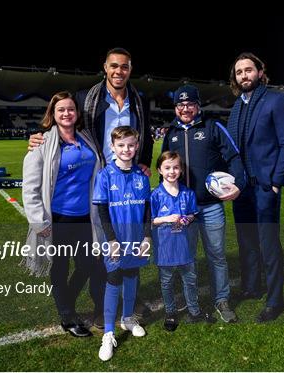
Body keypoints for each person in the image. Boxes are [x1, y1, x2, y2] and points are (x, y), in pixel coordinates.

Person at [28, 47, 154, 320]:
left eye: (124, 66)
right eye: (114, 66)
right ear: (105, 68)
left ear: (130, 69)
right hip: (100, 180)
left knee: (131, 239)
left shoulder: (140, 100)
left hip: (129, 177)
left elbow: (147, 136)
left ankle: (133, 296)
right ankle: (100, 306)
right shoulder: (87, 98)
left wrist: (144, 160)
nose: (118, 71)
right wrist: (40, 136)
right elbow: (67, 123)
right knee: (102, 247)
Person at [21, 91, 106, 338]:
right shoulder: (42, 144)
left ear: (77, 113)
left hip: (84, 217)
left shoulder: (86, 138)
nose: (67, 113)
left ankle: (64, 300)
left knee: (88, 264)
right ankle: (68, 317)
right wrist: (38, 221)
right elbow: (31, 187)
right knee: (59, 267)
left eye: (71, 109)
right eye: (61, 110)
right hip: (57, 219)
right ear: (53, 114)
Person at [161, 84, 245, 323]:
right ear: (176, 108)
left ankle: (222, 300)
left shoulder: (213, 126)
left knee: (216, 255)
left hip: (210, 207)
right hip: (183, 209)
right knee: (186, 259)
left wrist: (238, 184)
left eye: (189, 104)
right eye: (180, 105)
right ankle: (192, 304)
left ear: (198, 105)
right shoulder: (171, 133)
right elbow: (165, 169)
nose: (185, 108)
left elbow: (233, 156)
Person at [227, 52, 284, 322]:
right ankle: (251, 287)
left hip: (265, 187)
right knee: (246, 242)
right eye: (239, 72)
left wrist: (277, 182)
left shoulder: (276, 99)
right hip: (241, 188)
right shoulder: (237, 106)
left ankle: (274, 300)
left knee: (268, 245)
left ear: (259, 71)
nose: (244, 75)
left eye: (248, 69)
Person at [92, 126, 151, 362]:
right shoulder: (105, 175)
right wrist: (112, 241)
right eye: (121, 145)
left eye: (130, 145)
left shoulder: (141, 176)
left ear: (136, 146)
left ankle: (127, 319)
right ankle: (108, 332)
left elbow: (147, 209)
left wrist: (147, 237)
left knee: (131, 275)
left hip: (136, 238)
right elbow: (102, 212)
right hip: (115, 240)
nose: (126, 149)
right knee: (114, 279)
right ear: (113, 147)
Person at [151, 151, 215, 331]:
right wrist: (166, 219)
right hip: (165, 247)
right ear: (159, 170)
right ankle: (171, 312)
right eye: (167, 167)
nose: (172, 171)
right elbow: (150, 221)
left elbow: (192, 214)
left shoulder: (188, 193)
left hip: (185, 246)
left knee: (190, 279)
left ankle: (194, 311)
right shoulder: (155, 195)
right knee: (167, 281)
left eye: (176, 167)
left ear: (181, 170)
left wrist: (187, 219)